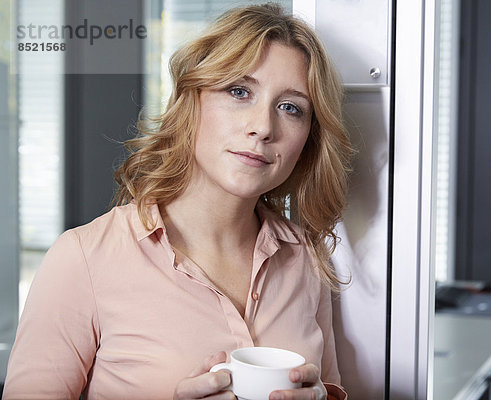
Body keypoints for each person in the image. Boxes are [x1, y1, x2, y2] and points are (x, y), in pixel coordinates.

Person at [3, 3, 353, 400]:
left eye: (290, 108)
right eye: (239, 92)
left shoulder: (306, 258)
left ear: (307, 139)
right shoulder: (83, 258)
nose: (263, 127)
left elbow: (326, 384)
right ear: (193, 101)